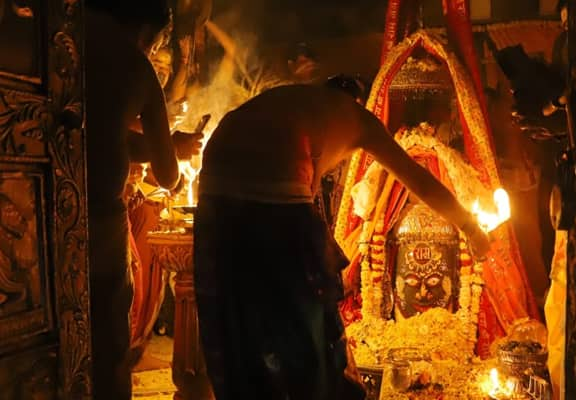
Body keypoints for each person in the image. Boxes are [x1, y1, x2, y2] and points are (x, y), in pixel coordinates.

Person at [194, 77, 490, 400]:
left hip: (218, 160)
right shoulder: (359, 121)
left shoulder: (303, 104)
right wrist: (470, 227)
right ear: (359, 102)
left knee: (238, 314)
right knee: (305, 333)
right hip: (279, 162)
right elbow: (417, 178)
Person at [85, 0, 202, 398]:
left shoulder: (62, 44)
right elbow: (169, 177)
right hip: (98, 220)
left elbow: (99, 135)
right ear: (150, 32)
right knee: (108, 339)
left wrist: (157, 145)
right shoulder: (135, 65)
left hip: (36, 207)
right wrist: (172, 148)